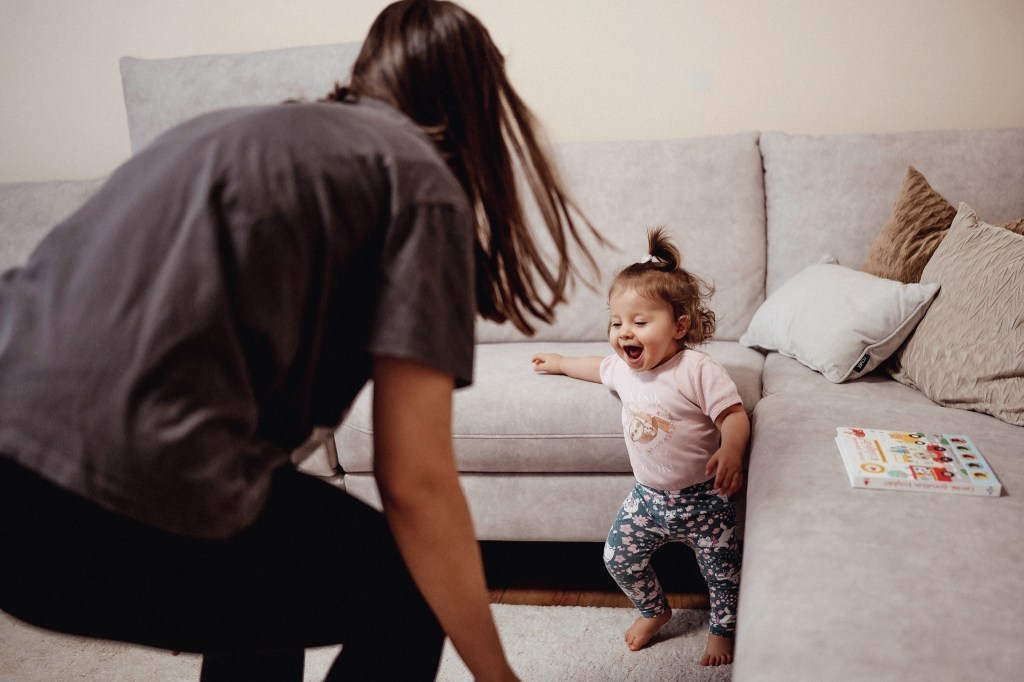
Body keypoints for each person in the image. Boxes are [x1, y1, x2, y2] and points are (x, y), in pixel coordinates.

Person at [0, 1, 601, 680]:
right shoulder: (418, 179)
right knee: (413, 581)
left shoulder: (228, 131)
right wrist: (499, 677)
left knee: (264, 564)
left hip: (13, 494)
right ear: (476, 97)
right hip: (108, 501)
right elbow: (418, 485)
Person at [531, 227, 749, 667]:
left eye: (640, 322)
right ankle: (655, 610)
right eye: (616, 323)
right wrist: (558, 363)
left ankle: (722, 629)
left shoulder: (696, 370)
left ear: (679, 326)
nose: (624, 332)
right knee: (618, 558)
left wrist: (731, 450)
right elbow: (595, 366)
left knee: (722, 573)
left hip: (706, 499)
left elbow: (734, 416)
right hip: (647, 499)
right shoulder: (623, 370)